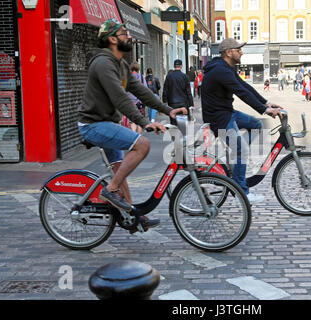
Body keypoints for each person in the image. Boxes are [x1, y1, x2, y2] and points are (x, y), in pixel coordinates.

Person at [77, 18, 187, 231]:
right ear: (112, 39)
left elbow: (141, 92)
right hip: (93, 124)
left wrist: (168, 110)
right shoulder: (103, 63)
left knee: (120, 170)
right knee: (142, 145)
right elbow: (120, 98)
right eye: (125, 33)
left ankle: (132, 216)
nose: (129, 36)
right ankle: (110, 191)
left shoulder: (120, 64)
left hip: (106, 122)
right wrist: (145, 123)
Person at [201, 38, 283, 203]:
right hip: (219, 118)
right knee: (241, 151)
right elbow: (241, 92)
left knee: (256, 125)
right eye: (239, 50)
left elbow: (245, 86)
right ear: (229, 52)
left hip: (226, 112)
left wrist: (265, 102)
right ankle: (242, 192)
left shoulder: (226, 68)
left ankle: (236, 154)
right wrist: (264, 110)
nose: (242, 52)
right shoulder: (220, 70)